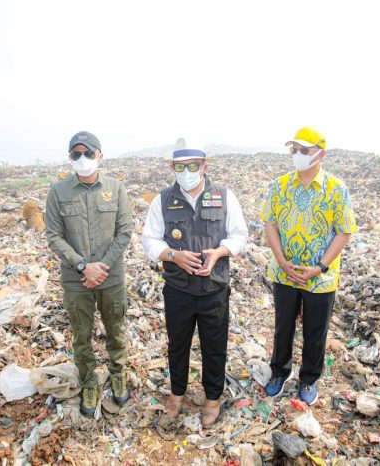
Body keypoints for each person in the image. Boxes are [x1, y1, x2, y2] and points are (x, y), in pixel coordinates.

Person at [142, 139, 248, 428]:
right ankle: (176, 395)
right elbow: (149, 239)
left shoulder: (224, 197)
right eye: (180, 166)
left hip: (214, 289)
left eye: (193, 165)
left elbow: (239, 235)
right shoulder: (162, 200)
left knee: (215, 346)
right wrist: (173, 255)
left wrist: (220, 252)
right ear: (172, 167)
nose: (187, 171)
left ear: (204, 166)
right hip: (178, 289)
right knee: (178, 345)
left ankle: (212, 399)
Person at [261, 126, 357, 405]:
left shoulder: (336, 189)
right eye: (295, 150)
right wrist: (281, 260)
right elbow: (270, 222)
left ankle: (309, 379)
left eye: (304, 150)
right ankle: (279, 372)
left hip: (320, 278)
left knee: (316, 330)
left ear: (320, 154)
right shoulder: (280, 186)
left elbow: (344, 231)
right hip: (285, 273)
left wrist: (321, 267)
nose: (298, 155)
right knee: (283, 326)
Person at [45, 131, 134, 416]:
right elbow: (54, 236)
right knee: (81, 336)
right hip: (76, 280)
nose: (82, 159)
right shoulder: (58, 192)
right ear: (70, 158)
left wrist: (101, 267)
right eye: (76, 154)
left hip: (111, 278)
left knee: (115, 330)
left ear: (100, 155)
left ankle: (118, 374)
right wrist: (84, 266)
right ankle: (88, 382)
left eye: (88, 153)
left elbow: (124, 233)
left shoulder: (116, 189)